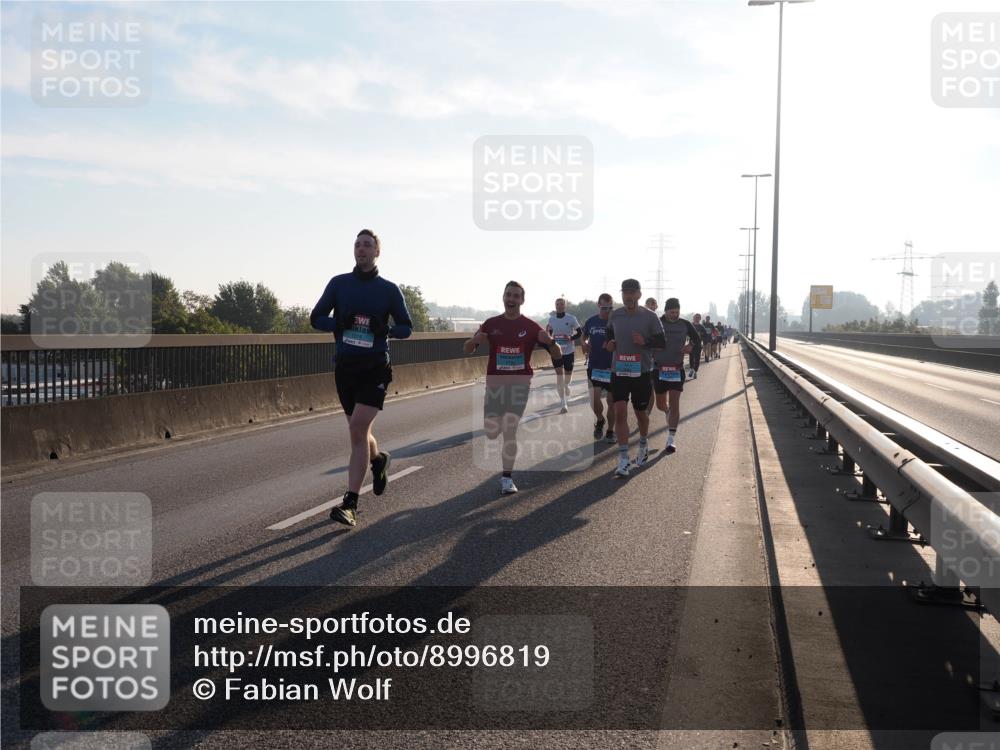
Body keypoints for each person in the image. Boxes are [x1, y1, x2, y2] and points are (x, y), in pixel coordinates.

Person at [310, 229, 413, 527]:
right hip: (346, 368)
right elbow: (316, 318)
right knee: (360, 434)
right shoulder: (339, 284)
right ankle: (378, 459)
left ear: (377, 252)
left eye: (367, 245)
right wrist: (337, 323)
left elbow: (407, 327)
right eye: (357, 245)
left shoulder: (389, 290)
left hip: (375, 368)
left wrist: (388, 330)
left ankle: (350, 504)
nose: (361, 249)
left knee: (356, 428)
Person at [465, 281, 562, 494]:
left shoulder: (530, 326)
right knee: (492, 433)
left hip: (520, 385)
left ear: (522, 300)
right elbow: (467, 348)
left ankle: (507, 478)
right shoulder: (491, 323)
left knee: (510, 430)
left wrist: (552, 342)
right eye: (508, 295)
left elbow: (558, 355)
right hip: (495, 385)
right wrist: (475, 340)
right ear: (503, 297)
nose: (511, 299)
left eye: (516, 296)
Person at [605, 279, 665, 477]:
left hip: (641, 372)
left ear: (639, 294)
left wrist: (645, 341)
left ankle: (643, 443)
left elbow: (661, 341)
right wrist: (610, 343)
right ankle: (623, 459)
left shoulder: (650, 317)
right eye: (625, 292)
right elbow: (609, 335)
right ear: (622, 294)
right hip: (619, 371)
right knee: (620, 410)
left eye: (632, 292)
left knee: (640, 414)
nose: (628, 296)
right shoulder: (616, 314)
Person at [652, 298, 695, 454]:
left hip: (677, 369)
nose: (674, 315)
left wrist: (691, 345)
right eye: (671, 312)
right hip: (659, 369)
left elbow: (697, 338)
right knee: (661, 405)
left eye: (677, 312)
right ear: (666, 311)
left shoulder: (685, 324)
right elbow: (648, 337)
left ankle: (671, 439)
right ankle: (667, 412)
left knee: (675, 402)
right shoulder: (657, 322)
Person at [582, 293, 616, 442]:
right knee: (594, 400)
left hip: (613, 367)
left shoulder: (616, 322)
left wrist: (614, 345)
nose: (607, 311)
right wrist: (584, 343)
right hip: (595, 365)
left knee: (612, 401)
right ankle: (600, 419)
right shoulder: (591, 321)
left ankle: (610, 430)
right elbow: (583, 336)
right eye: (604, 308)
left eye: (610, 308)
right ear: (598, 305)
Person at [546, 298, 582, 413]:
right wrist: (551, 340)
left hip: (569, 351)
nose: (559, 306)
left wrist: (570, 338)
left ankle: (567, 385)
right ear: (555, 306)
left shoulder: (571, 318)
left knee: (567, 377)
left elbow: (579, 333)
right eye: (557, 304)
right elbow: (549, 334)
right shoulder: (551, 319)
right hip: (557, 352)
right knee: (559, 376)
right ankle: (563, 403)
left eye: (562, 304)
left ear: (565, 306)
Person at [688, 313, 704, 379]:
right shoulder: (690, 325)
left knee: (697, 358)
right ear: (693, 318)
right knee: (691, 357)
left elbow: (705, 334)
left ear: (700, 319)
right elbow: (686, 333)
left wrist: (702, 339)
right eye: (696, 317)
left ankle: (695, 371)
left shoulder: (701, 327)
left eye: (698, 317)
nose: (697, 319)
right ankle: (691, 369)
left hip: (698, 344)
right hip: (691, 344)